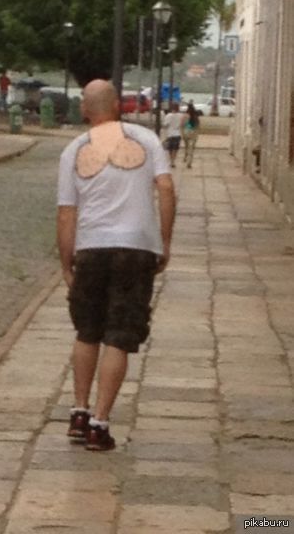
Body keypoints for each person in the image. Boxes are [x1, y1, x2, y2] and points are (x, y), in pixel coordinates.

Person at [57, 79, 176, 451]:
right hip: (136, 247)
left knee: (87, 331)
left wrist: (66, 263)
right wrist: (164, 240)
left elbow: (66, 213)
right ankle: (100, 422)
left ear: (84, 109)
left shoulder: (73, 150)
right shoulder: (148, 139)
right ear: (118, 106)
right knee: (119, 335)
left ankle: (79, 412)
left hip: (91, 247)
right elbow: (166, 188)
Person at [163, 102, 187, 168]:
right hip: (177, 134)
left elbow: (165, 125)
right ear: (178, 108)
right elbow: (183, 124)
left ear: (171, 108)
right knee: (175, 149)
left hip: (170, 134)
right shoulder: (181, 115)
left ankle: (171, 161)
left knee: (170, 149)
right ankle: (173, 161)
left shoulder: (168, 115)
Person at [183, 100, 200, 169]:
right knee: (191, 148)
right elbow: (198, 126)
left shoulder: (185, 116)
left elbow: (182, 125)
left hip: (186, 133)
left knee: (186, 146)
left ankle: (185, 156)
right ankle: (189, 162)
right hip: (194, 134)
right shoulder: (196, 117)